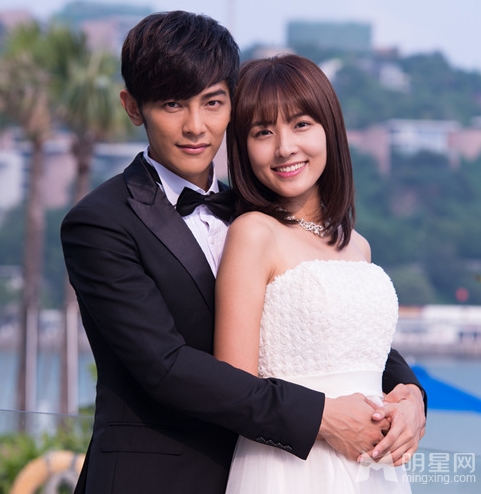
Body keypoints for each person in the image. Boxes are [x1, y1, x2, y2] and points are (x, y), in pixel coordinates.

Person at [60, 11, 425, 494]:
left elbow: (335, 324)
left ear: (232, 104)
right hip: (158, 479)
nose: (195, 126)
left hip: (275, 470)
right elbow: (164, 365)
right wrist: (321, 417)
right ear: (133, 106)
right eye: (172, 104)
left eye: (212, 102)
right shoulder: (100, 221)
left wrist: (410, 394)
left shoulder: (261, 213)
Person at [214, 54, 423, 493]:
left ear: (330, 129)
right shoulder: (253, 233)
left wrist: (410, 403)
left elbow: (371, 359)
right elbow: (232, 387)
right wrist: (326, 421)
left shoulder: (358, 244)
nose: (284, 147)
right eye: (263, 132)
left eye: (301, 124)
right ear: (242, 147)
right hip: (290, 465)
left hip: (374, 468)